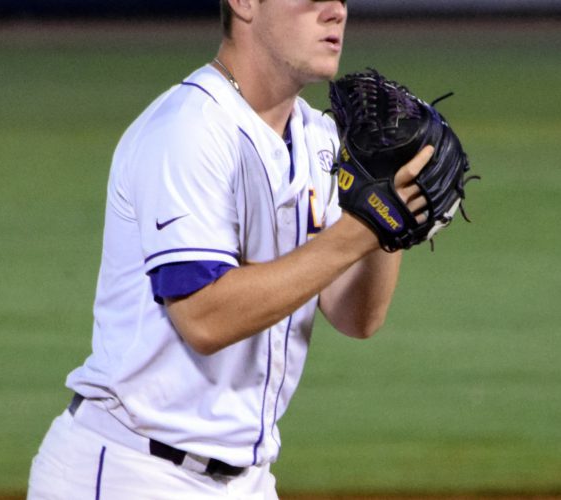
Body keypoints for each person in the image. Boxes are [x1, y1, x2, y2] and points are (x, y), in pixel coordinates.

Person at [27, 0, 434, 498]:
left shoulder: (318, 139)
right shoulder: (191, 128)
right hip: (133, 471)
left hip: (248, 480)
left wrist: (393, 218)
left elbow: (356, 317)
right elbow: (204, 317)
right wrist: (364, 226)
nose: (336, 11)